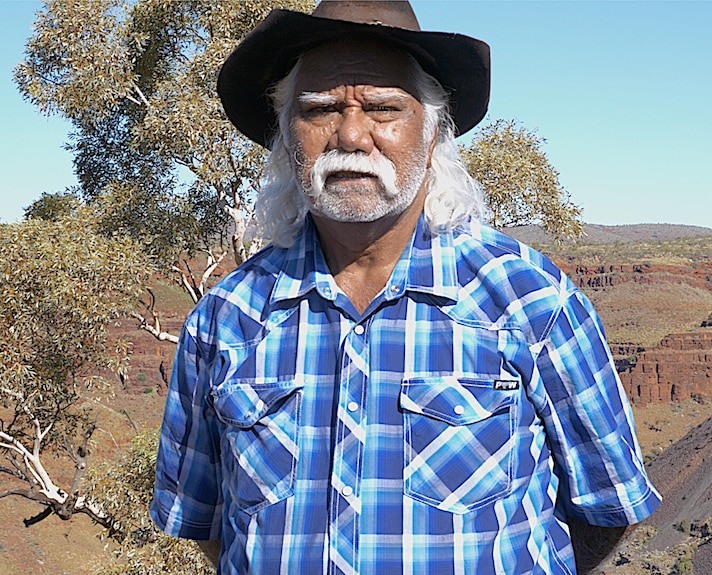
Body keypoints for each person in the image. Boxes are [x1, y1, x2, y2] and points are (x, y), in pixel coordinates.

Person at [150, 2, 661, 574]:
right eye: (319, 110)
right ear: (286, 132)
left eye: (383, 108)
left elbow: (610, 506)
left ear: (434, 126)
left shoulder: (531, 301)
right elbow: (207, 521)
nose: (349, 134)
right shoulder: (225, 319)